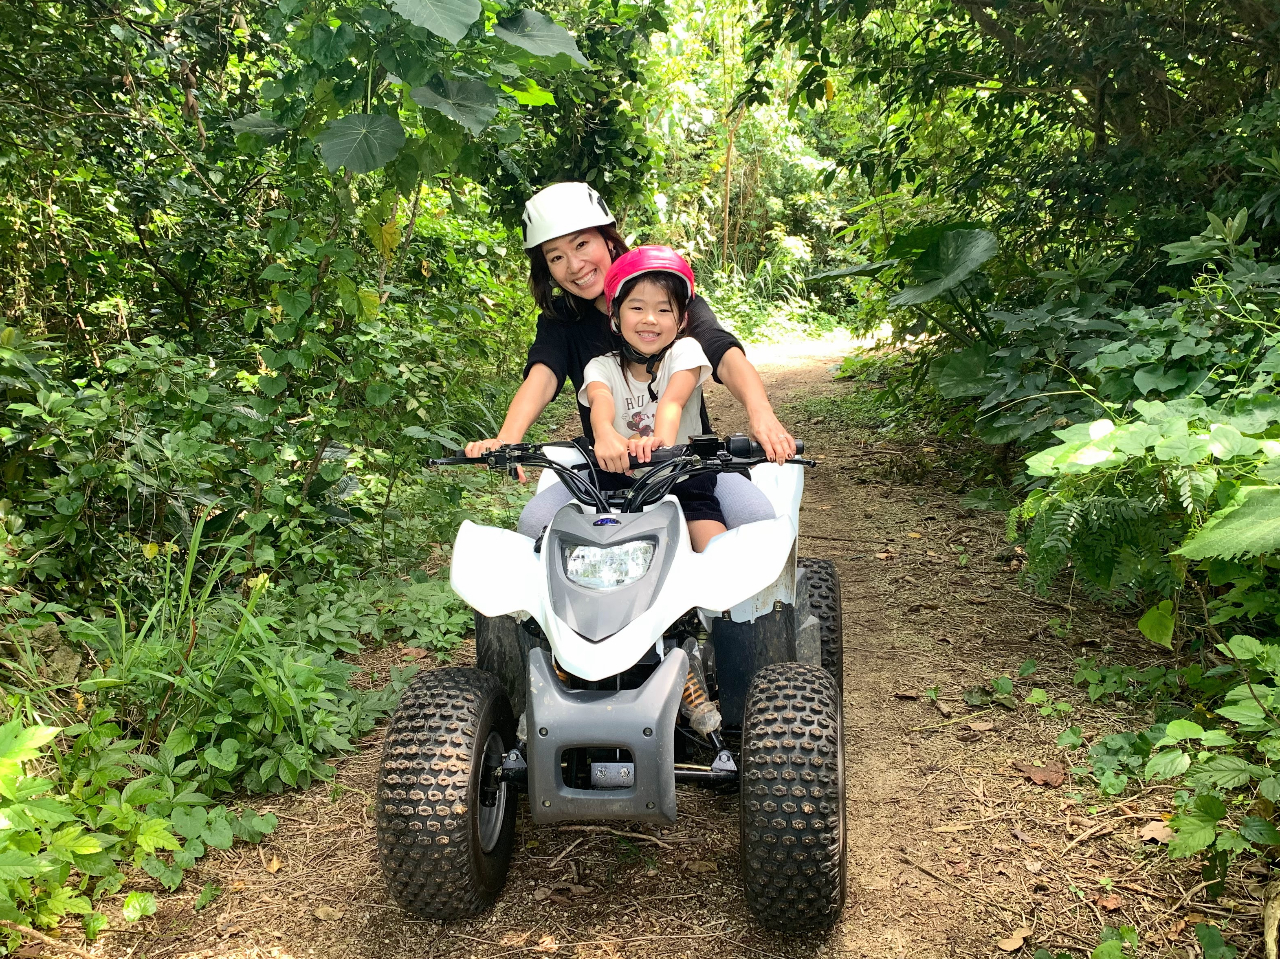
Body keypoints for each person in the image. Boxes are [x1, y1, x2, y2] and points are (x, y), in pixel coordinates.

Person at [464, 182, 796, 538]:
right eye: (556, 256)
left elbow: (722, 353)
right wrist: (508, 438)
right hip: (608, 465)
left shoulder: (669, 293)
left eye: (581, 244)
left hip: (690, 463)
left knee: (755, 518)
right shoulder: (562, 320)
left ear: (608, 239)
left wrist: (761, 413)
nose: (574, 266)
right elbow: (543, 376)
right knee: (535, 522)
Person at [582, 246, 725, 552]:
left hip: (684, 477)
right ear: (615, 316)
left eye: (663, 310)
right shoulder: (601, 366)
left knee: (718, 554)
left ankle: (725, 601)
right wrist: (605, 435)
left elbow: (672, 401)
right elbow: (600, 399)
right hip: (617, 483)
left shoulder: (684, 352)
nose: (650, 319)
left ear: (681, 320)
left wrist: (659, 442)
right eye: (636, 308)